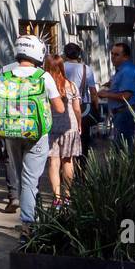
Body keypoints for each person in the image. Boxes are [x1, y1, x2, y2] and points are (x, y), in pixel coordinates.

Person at [0, 34, 65, 236]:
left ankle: (32, 214)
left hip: (10, 133)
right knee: (31, 179)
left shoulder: (4, 72)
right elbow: (59, 108)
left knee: (22, 178)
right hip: (36, 134)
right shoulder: (43, 76)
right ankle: (28, 224)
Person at [44, 53, 81, 207]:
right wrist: (79, 124)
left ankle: (57, 197)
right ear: (61, 67)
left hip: (51, 127)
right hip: (70, 127)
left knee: (53, 162)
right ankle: (67, 196)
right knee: (68, 161)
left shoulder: (43, 84)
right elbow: (77, 108)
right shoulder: (71, 85)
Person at [96, 41, 135, 149]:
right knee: (120, 146)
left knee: (123, 148)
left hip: (126, 113)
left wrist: (106, 94)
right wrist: (110, 85)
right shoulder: (121, 70)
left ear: (125, 57)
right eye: (112, 54)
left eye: (116, 55)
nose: (112, 57)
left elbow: (126, 96)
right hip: (120, 113)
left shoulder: (127, 71)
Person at [61, 43, 98, 160]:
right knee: (83, 140)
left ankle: (66, 167)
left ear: (65, 54)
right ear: (78, 54)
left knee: (64, 138)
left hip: (64, 106)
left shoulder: (60, 67)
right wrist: (95, 107)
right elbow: (93, 92)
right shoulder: (86, 69)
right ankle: (82, 168)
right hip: (83, 108)